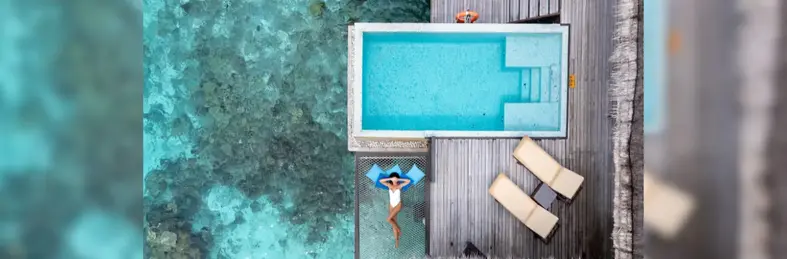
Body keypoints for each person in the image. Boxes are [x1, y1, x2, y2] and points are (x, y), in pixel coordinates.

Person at [379, 173, 411, 248]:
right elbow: (381, 181)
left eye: (396, 179)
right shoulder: (389, 185)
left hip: (398, 205)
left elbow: (408, 181)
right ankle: (397, 241)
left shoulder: (399, 186)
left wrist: (399, 179)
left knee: (388, 219)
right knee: (393, 222)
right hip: (391, 205)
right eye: (394, 179)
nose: (395, 180)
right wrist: (390, 179)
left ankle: (398, 228)